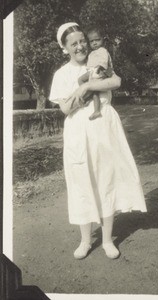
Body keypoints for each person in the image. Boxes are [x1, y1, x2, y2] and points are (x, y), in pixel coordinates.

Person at [49, 22, 147, 260]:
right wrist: (80, 95)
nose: (80, 46)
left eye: (83, 41)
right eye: (74, 44)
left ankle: (106, 240)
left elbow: (116, 82)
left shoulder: (99, 59)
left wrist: (88, 86)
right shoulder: (61, 74)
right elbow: (63, 108)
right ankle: (85, 240)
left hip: (104, 125)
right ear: (65, 48)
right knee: (82, 182)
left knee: (107, 180)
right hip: (78, 130)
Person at [78, 27, 113, 120]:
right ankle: (85, 95)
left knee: (95, 91)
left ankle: (96, 110)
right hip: (92, 72)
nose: (94, 43)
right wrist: (90, 72)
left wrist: (99, 70)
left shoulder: (103, 50)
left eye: (97, 40)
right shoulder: (91, 53)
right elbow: (90, 65)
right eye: (91, 41)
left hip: (101, 72)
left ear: (103, 40)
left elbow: (104, 63)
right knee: (80, 79)